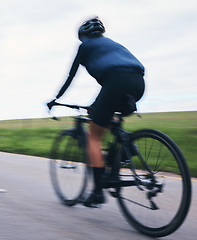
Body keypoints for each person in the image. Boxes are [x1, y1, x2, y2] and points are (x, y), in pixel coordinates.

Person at [47, 17, 145, 207]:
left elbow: (71, 76)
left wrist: (56, 99)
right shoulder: (114, 45)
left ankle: (98, 191)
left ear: (83, 35)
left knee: (93, 135)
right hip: (138, 84)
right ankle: (127, 148)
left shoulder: (85, 47)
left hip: (115, 82)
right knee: (105, 116)